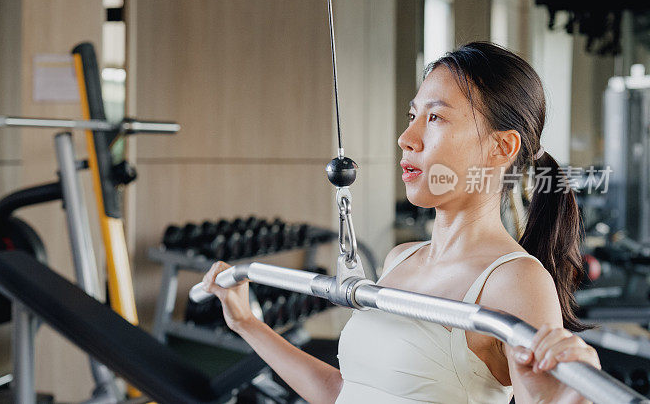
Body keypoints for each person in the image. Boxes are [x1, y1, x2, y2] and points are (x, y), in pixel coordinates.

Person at [202, 42, 602, 403]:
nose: (406, 137)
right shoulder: (400, 259)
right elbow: (346, 392)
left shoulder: (516, 282)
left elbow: (545, 397)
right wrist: (247, 323)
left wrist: (560, 400)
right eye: (413, 115)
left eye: (436, 118)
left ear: (502, 147)